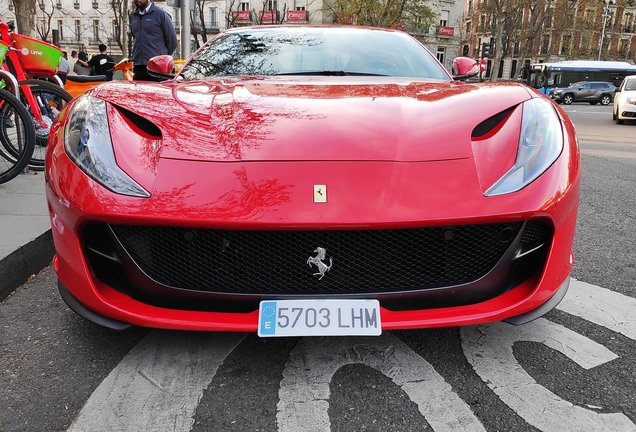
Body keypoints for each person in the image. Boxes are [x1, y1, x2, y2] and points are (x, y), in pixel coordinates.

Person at [129, 0, 178, 81]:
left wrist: (163, 57)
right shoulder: (132, 16)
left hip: (158, 67)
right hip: (139, 66)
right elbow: (136, 37)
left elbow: (172, 40)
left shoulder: (161, 14)